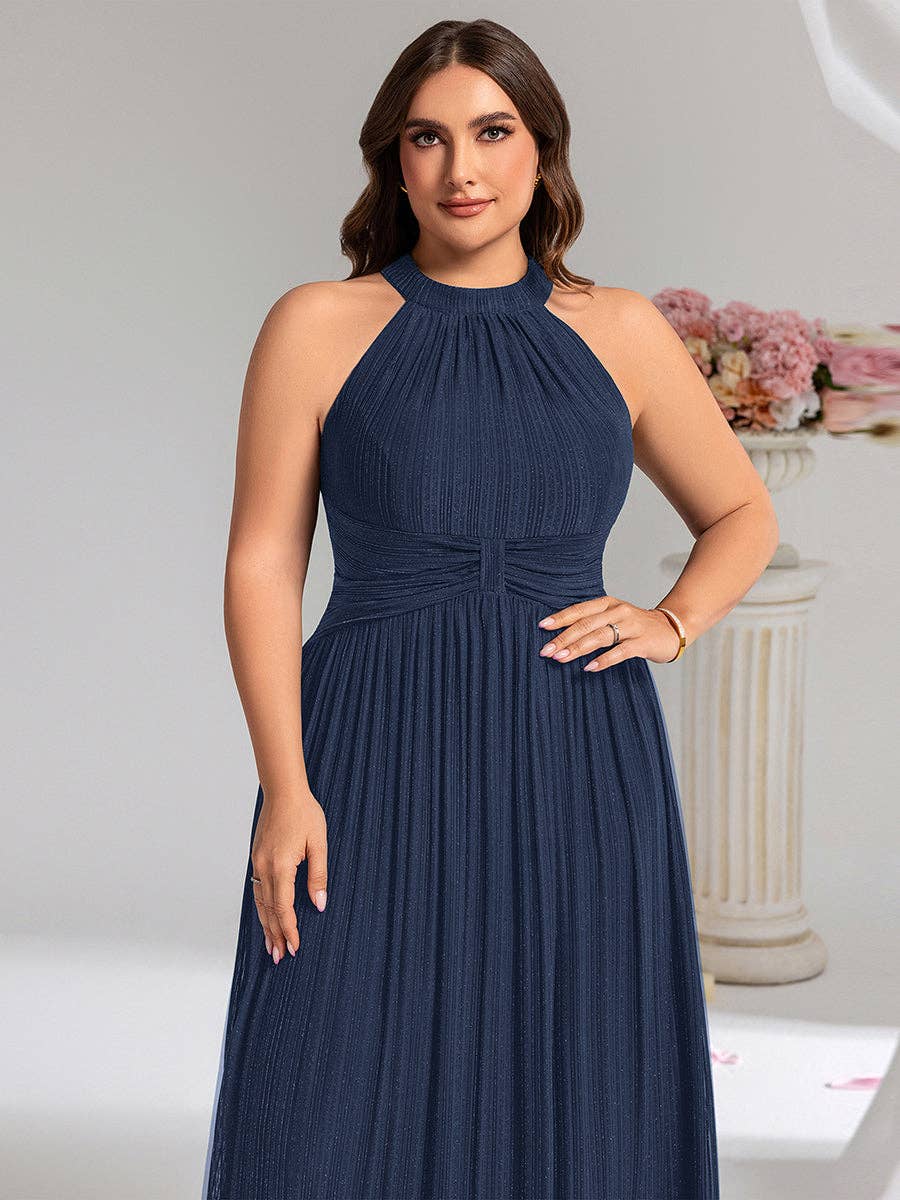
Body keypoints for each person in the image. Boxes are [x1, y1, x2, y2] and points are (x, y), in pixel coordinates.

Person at [204, 17, 777, 1199]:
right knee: (316, 1083)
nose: (461, 168)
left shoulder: (620, 330)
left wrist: (670, 622)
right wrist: (286, 786)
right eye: (428, 138)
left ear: (542, 149)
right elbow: (263, 561)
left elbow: (741, 515)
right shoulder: (317, 324)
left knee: (577, 1073)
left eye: (492, 132)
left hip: (578, 749)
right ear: (394, 159)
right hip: (367, 746)